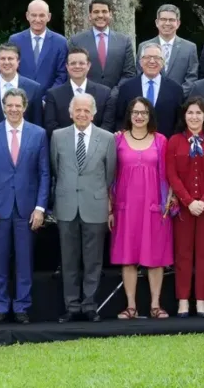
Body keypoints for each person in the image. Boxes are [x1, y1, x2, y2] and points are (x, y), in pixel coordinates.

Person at [0, 88, 49, 325]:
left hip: (27, 209)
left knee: (24, 261)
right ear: (3, 106)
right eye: (9, 105)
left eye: (18, 105)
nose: (13, 109)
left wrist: (40, 208)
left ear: (25, 107)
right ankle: (0, 306)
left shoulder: (38, 134)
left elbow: (44, 174)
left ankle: (21, 306)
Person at [50, 93, 116, 322]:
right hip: (67, 204)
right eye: (78, 110)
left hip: (94, 206)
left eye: (87, 110)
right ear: (70, 112)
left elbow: (109, 174)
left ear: (94, 113)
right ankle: (72, 306)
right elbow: (55, 170)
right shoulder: (57, 137)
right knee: (68, 260)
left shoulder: (107, 138)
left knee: (93, 260)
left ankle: (89, 305)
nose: (82, 114)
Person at [111, 97, 173, 319]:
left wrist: (168, 203)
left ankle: (156, 305)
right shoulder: (117, 140)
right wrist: (110, 207)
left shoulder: (161, 141)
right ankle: (131, 306)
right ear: (129, 114)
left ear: (150, 116)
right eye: (135, 112)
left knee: (154, 256)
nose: (139, 116)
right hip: (126, 208)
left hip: (153, 207)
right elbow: (111, 176)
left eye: (144, 113)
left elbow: (168, 175)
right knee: (128, 257)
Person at [166, 97, 204, 317]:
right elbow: (171, 173)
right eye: (190, 113)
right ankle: (183, 301)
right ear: (184, 116)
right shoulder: (174, 141)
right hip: (183, 208)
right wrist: (188, 201)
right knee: (183, 253)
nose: (194, 117)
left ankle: (201, 300)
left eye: (198, 113)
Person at [115, 43, 183, 137]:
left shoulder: (175, 89)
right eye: (147, 57)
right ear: (141, 61)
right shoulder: (126, 88)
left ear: (163, 62)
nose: (152, 61)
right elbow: (120, 119)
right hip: (134, 144)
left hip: (165, 145)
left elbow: (179, 121)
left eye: (156, 58)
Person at [44, 47, 115, 137]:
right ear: (67, 66)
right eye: (73, 63)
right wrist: (76, 140)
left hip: (96, 147)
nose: (77, 66)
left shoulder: (105, 93)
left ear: (88, 65)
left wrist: (90, 141)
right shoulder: (53, 94)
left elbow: (107, 125)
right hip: (66, 147)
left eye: (81, 63)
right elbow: (51, 126)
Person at [67, 0, 136, 90]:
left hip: (116, 98)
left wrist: (115, 93)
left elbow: (129, 74)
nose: (100, 15)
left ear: (110, 15)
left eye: (104, 11)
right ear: (90, 16)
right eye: (96, 12)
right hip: (86, 98)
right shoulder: (76, 41)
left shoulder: (124, 41)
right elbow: (71, 72)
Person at [0, 43, 44, 131]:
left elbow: (37, 124)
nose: (6, 62)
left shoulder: (34, 88)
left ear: (18, 61)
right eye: (2, 59)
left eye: (10, 58)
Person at [136, 4, 199, 95]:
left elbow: (191, 78)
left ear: (178, 23)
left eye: (171, 20)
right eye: (163, 19)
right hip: (150, 99)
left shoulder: (189, 48)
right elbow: (140, 74)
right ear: (157, 22)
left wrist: (177, 95)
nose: (167, 23)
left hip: (179, 102)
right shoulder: (144, 46)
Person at [8, 0, 69, 91]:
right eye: (33, 15)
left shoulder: (60, 42)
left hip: (49, 100)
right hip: (20, 99)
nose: (37, 19)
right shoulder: (15, 40)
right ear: (27, 16)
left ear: (49, 17)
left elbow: (62, 75)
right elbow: (10, 70)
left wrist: (49, 98)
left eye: (41, 15)